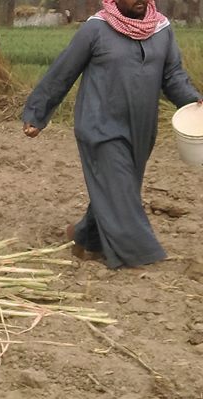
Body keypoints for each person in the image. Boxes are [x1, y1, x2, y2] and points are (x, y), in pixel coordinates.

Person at [22, 0, 202, 268]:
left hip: (141, 130)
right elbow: (63, 71)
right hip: (99, 126)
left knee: (120, 189)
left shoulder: (162, 30)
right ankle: (141, 254)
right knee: (119, 188)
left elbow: (173, 76)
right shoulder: (96, 29)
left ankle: (85, 238)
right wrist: (36, 113)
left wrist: (194, 103)